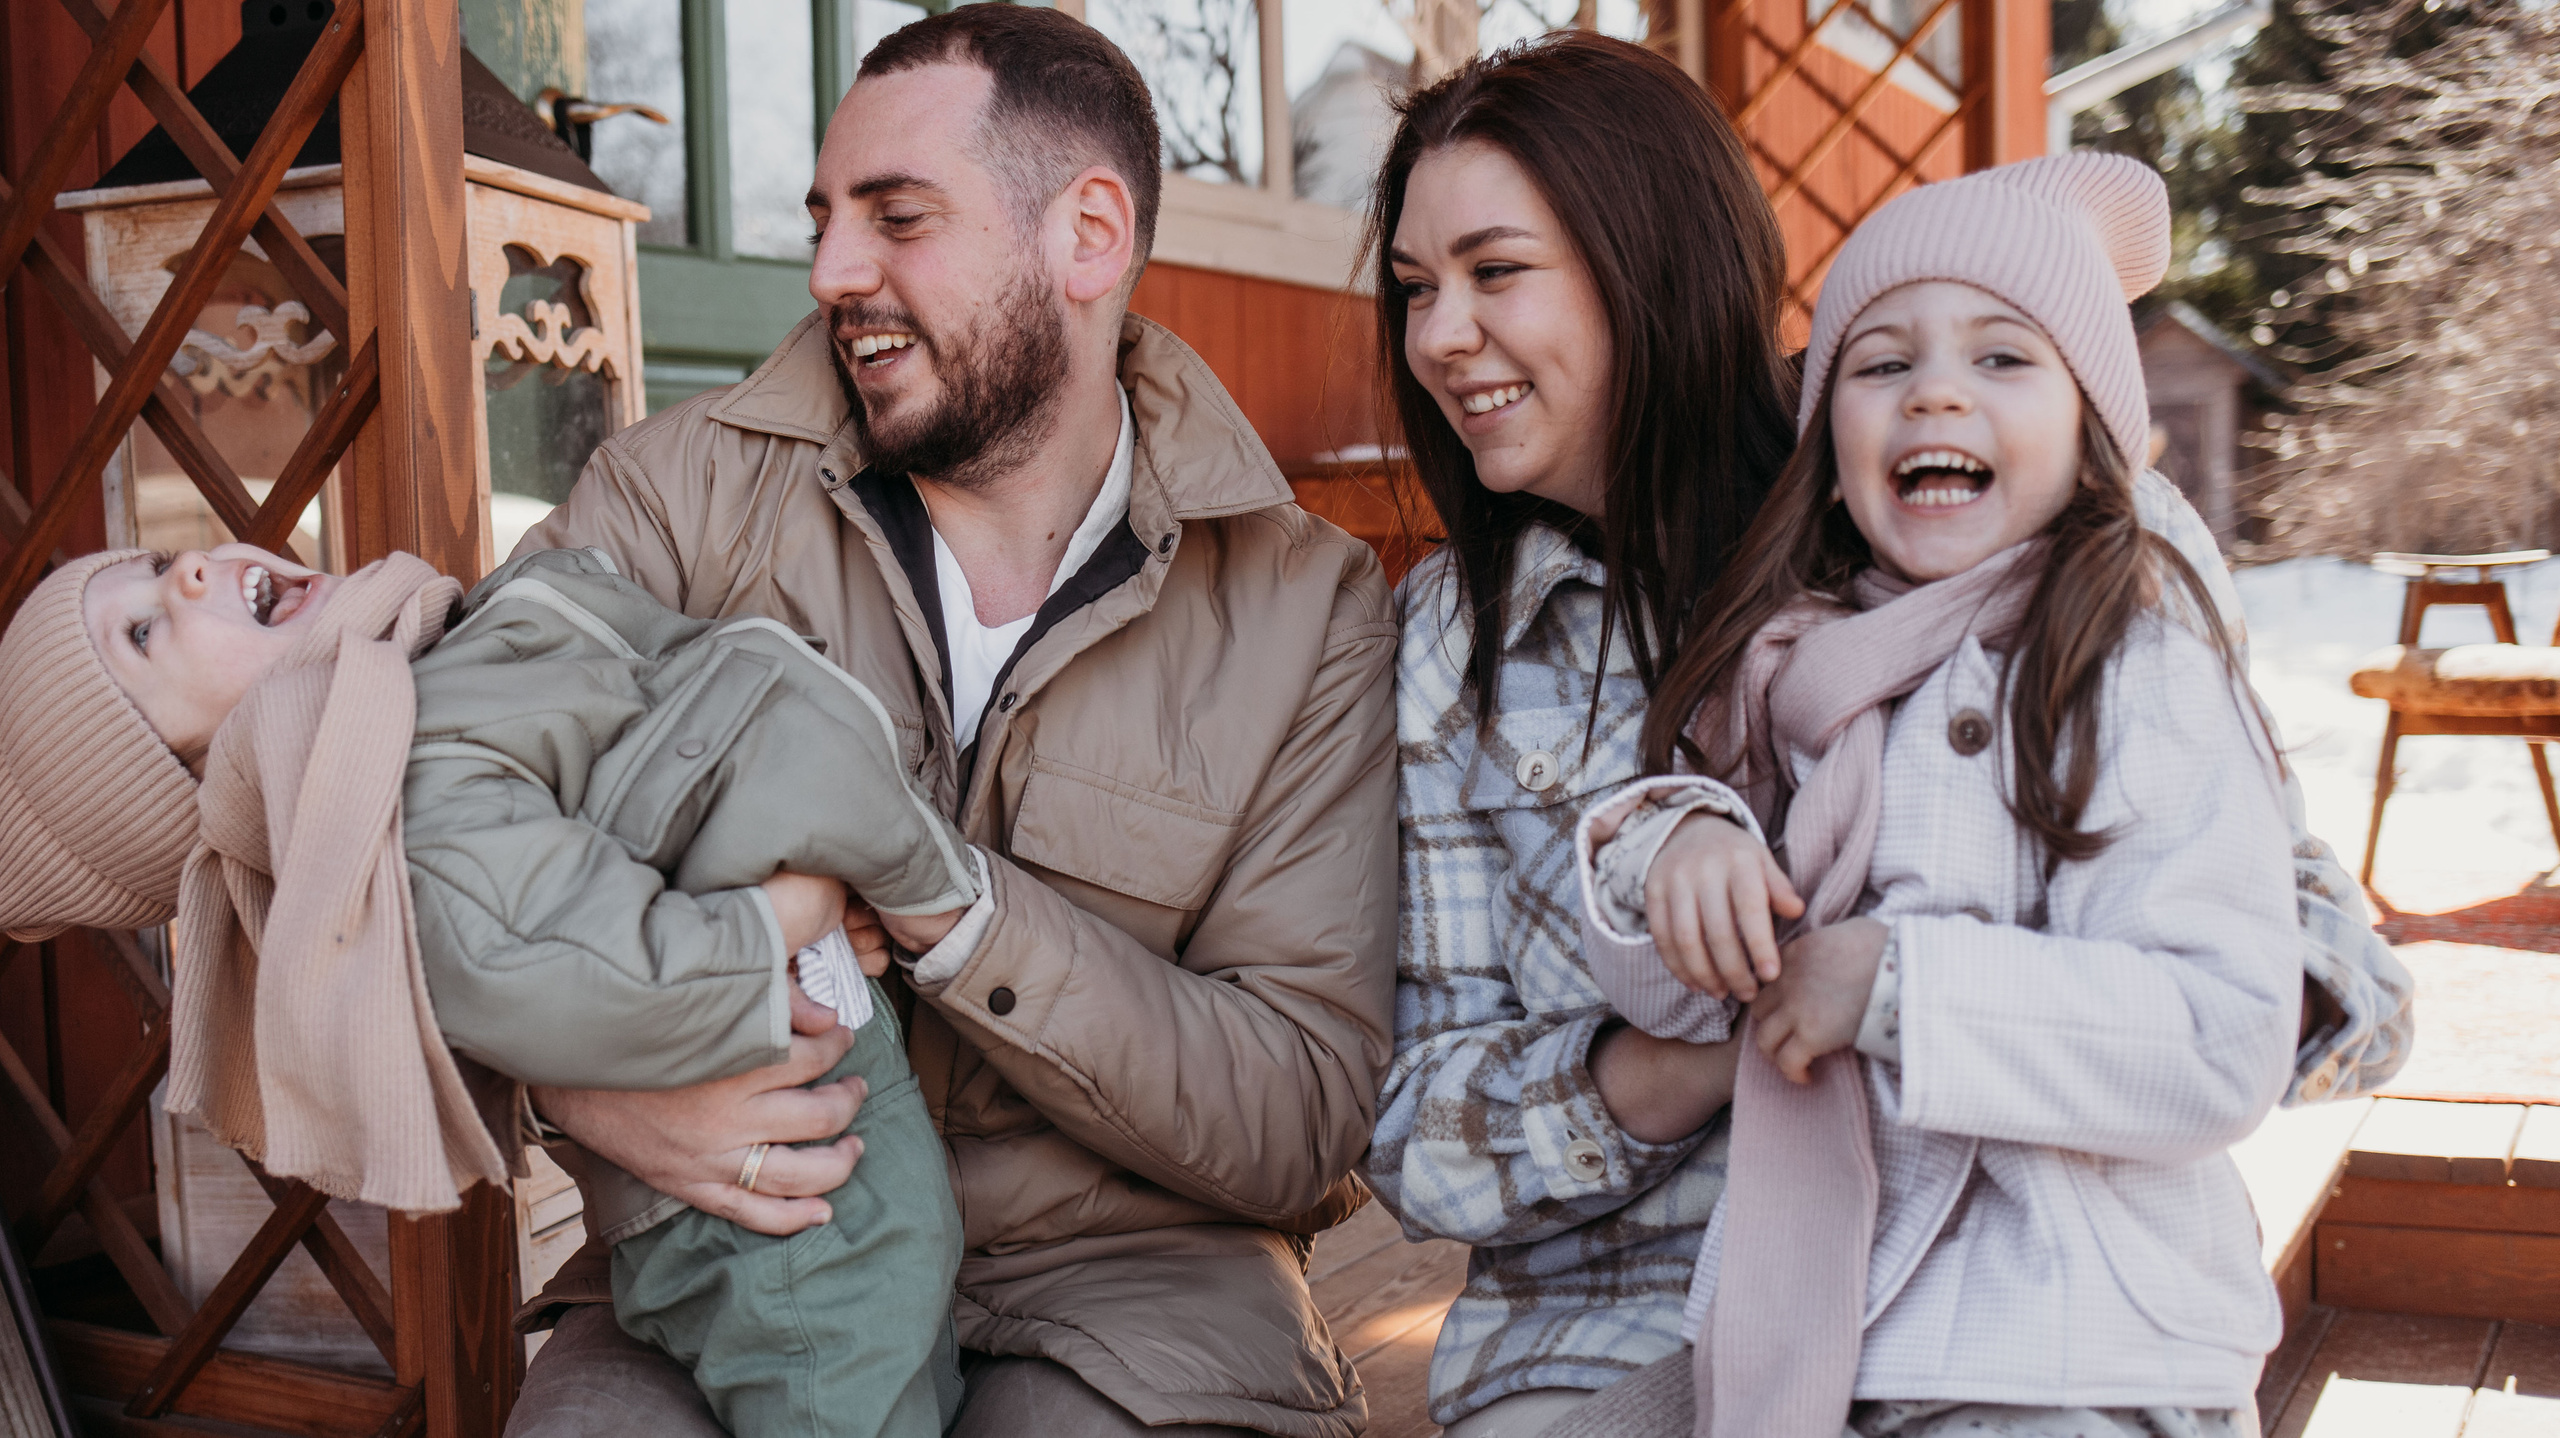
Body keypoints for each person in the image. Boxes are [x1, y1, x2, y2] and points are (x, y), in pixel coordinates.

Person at [1367, 36, 2414, 1438]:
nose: (1437, 336)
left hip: (1995, 1303)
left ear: (1650, 261)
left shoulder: (2016, 520)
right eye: (1415, 288)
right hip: (1611, 1334)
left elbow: (2329, 979)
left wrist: (1939, 981)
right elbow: (1419, 1142)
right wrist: (1707, 1033)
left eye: (1496, 273)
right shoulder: (1453, 642)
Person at [498, 7, 1400, 1437]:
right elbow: (447, 812)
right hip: (732, 1253)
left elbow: (1297, 1114)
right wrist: (584, 1092)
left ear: (1088, 235)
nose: (828, 272)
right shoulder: (675, 498)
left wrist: (951, 901)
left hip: (1129, 1293)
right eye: (822, 219)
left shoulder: (1306, 608)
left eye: (897, 217)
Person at [1579, 151, 2295, 1437]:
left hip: (2080, 1343)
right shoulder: (1795, 670)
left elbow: (2221, 1032)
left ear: (2090, 427)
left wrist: (1904, 983)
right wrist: (1673, 855)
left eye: (2002, 358)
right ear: (1829, 447)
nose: (1936, 394)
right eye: (1882, 362)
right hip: (1839, 1329)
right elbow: (1682, 995)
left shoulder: (2131, 657)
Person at [0, 539, 971, 1437]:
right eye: (142, 633)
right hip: (790, 1240)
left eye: (161, 562)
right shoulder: (420, 789)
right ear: (200, 773)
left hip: (836, 1154)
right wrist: (791, 906)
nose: (191, 576)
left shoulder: (434, 665)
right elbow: (580, 973)